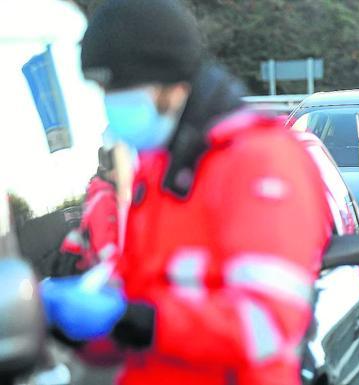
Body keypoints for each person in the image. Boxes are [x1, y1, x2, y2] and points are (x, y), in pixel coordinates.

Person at [41, 1, 333, 384]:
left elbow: (269, 326)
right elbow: (145, 288)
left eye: (120, 88)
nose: (110, 103)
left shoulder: (259, 161)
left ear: (172, 84)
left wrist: (135, 319)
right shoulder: (163, 166)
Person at [57, 147, 119, 276]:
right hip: (81, 271)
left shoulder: (103, 194)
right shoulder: (104, 198)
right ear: (112, 171)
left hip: (87, 267)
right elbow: (104, 248)